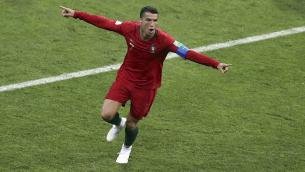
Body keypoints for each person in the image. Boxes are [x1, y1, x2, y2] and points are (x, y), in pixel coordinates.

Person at [60, 5, 231, 164]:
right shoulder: (129, 28)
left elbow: (188, 53)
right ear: (141, 21)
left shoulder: (164, 40)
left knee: (132, 123)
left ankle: (126, 147)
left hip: (146, 87)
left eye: (155, 20)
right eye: (148, 20)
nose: (152, 24)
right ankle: (118, 123)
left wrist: (215, 64)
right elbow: (106, 23)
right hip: (126, 78)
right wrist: (76, 14)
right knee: (106, 114)